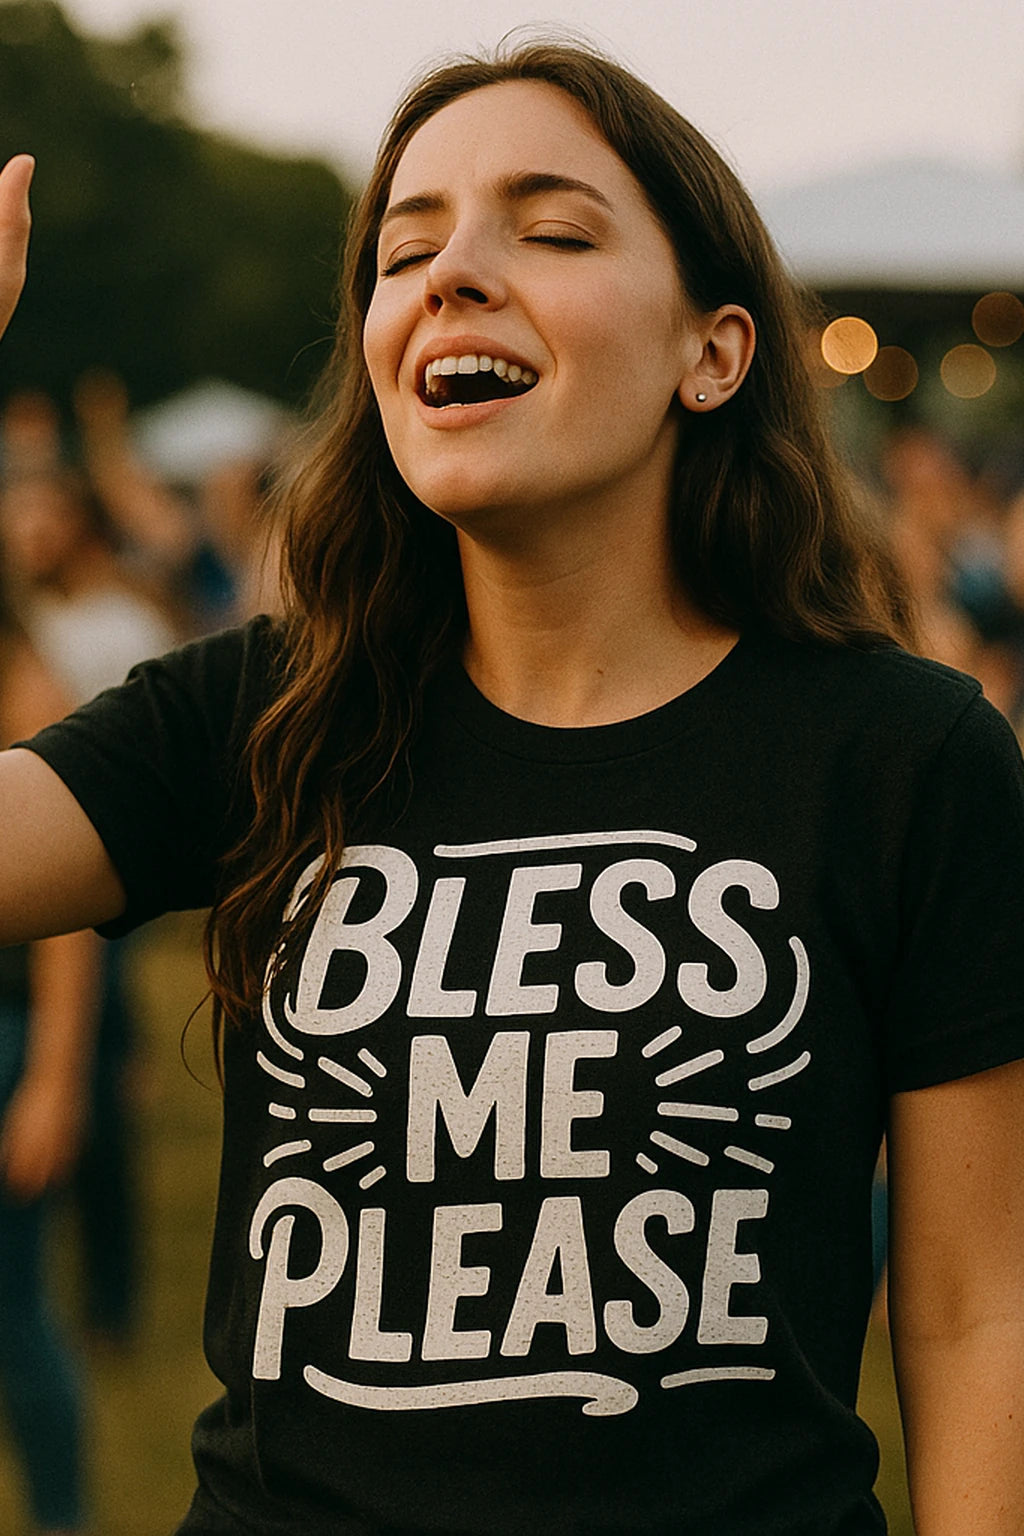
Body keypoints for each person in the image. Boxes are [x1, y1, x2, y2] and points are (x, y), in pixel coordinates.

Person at [1, 37, 1023, 1535]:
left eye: (549, 232)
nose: (451, 274)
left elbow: (972, 1308)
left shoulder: (905, 755)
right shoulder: (268, 710)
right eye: (406, 248)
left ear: (714, 351)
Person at [0, 583, 98, 1535]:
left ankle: (61, 1520)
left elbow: (70, 930)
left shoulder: (20, 671)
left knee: (14, 1317)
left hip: (5, 1043)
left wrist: (54, 1079)